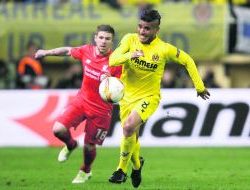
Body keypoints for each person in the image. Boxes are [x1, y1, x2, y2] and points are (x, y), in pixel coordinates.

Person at [108, 10, 210, 188]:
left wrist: (199, 86)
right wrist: (129, 56)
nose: (141, 31)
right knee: (130, 135)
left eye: (147, 28)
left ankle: (121, 170)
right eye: (140, 26)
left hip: (149, 97)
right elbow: (113, 60)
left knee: (128, 127)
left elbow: (188, 60)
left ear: (156, 29)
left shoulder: (163, 49)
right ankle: (137, 166)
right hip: (126, 98)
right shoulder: (129, 40)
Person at [34, 25, 121, 184]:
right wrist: (46, 52)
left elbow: (121, 88)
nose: (103, 41)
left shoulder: (117, 61)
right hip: (82, 101)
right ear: (95, 38)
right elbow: (67, 50)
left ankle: (85, 171)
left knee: (89, 146)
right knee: (58, 129)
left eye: (107, 38)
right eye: (101, 37)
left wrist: (111, 80)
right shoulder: (86, 50)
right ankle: (71, 144)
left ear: (112, 41)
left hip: (102, 110)